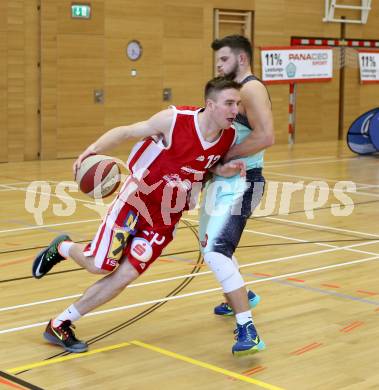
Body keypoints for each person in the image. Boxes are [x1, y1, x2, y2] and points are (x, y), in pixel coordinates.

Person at [31, 77, 247, 353]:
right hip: (136, 202)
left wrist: (221, 171)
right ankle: (62, 247)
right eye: (229, 103)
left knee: (124, 276)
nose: (235, 110)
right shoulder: (174, 119)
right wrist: (92, 150)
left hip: (166, 218)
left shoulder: (227, 137)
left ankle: (60, 323)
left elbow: (202, 164)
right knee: (100, 264)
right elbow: (126, 131)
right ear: (210, 104)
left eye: (238, 104)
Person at [199, 35, 274, 356]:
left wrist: (224, 157)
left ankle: (248, 328)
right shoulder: (232, 91)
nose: (219, 65)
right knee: (212, 244)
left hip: (245, 180)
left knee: (217, 248)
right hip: (226, 180)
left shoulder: (251, 88)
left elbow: (266, 135)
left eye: (224, 59)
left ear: (241, 59)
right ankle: (243, 296)